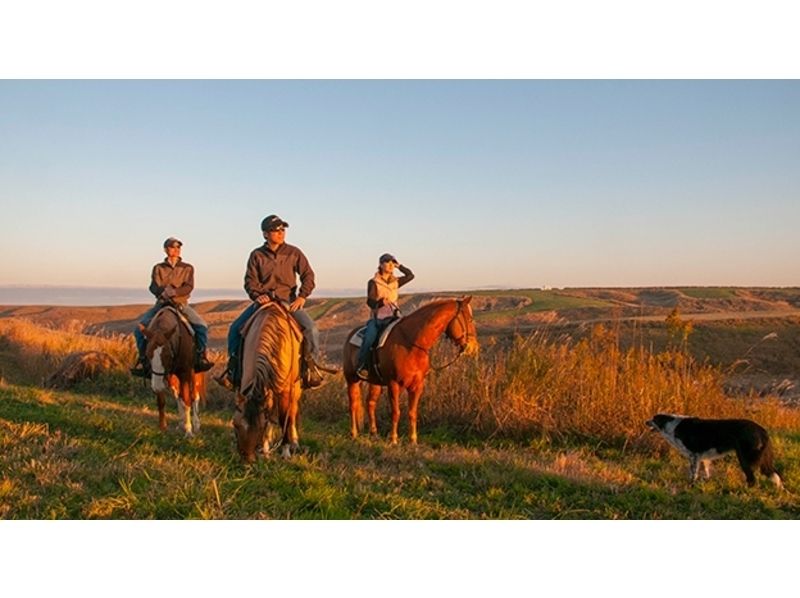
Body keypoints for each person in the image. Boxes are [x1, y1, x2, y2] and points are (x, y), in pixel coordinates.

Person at [215, 214, 324, 389]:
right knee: (235, 329)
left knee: (312, 329)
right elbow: (250, 281)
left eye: (283, 229)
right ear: (265, 234)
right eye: (276, 230)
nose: (281, 233)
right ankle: (233, 371)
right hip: (263, 303)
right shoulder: (256, 255)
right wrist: (257, 295)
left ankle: (311, 370)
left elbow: (308, 276)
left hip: (288, 302)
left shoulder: (294, 252)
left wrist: (302, 296)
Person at [130, 237, 213, 377]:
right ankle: (144, 360)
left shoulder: (187, 268)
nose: (175, 250)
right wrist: (162, 292)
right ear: (165, 249)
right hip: (161, 304)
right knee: (139, 329)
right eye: (172, 247)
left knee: (201, 327)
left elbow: (189, 286)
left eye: (178, 248)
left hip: (180, 304)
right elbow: (153, 286)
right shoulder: (158, 268)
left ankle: (200, 357)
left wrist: (175, 292)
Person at [355, 253, 414, 379]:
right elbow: (370, 302)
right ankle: (363, 366)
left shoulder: (396, 282)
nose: (391, 265)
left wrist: (400, 266)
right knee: (369, 338)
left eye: (392, 263)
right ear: (381, 265)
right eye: (388, 262)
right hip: (378, 318)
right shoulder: (373, 282)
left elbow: (410, 275)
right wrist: (380, 302)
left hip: (394, 316)